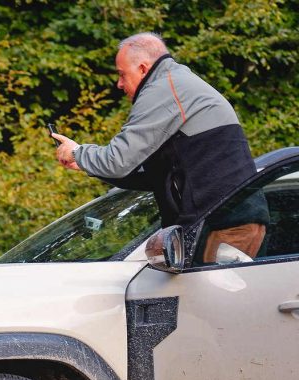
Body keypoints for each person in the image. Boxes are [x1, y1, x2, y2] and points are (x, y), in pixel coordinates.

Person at [52, 32, 264, 261]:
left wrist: (77, 151)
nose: (119, 84)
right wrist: (86, 164)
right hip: (222, 220)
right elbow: (150, 175)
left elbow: (118, 161)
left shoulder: (165, 88)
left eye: (123, 75)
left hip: (224, 224)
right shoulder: (175, 83)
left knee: (207, 296)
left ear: (143, 69)